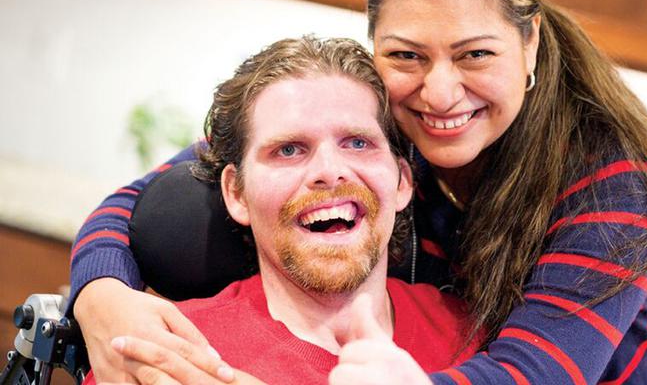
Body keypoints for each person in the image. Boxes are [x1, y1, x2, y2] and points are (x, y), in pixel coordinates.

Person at [71, 0, 647, 384]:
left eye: (474, 54)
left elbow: (532, 377)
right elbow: (141, 199)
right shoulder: (378, 125)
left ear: (530, 44)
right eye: (407, 55)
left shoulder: (610, 182)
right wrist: (101, 297)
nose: (438, 93)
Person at [80, 36, 477, 384]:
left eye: (357, 143)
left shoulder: (474, 337)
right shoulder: (170, 356)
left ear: (402, 181)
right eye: (288, 149)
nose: (329, 171)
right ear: (237, 193)